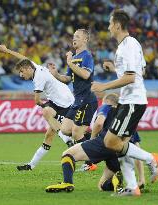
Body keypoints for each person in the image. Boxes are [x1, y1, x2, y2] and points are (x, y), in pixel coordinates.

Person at [91, 9, 158, 194]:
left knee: (110, 142)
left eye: (109, 24)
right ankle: (132, 187)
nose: (108, 27)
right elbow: (140, 71)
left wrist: (103, 87)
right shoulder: (129, 45)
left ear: (117, 25)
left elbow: (131, 77)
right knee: (121, 145)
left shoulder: (128, 45)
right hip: (130, 100)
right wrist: (114, 68)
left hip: (133, 101)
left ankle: (150, 158)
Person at [0, 45, 75, 170]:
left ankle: (68, 141)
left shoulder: (38, 77)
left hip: (65, 103)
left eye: (22, 72)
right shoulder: (35, 67)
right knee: (49, 135)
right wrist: (6, 51)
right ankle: (31, 165)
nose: (21, 75)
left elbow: (37, 100)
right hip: (59, 100)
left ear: (28, 68)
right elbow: (22, 58)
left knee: (46, 112)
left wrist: (45, 107)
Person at [49, 29, 98, 170]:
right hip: (77, 100)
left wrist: (70, 63)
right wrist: (56, 74)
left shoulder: (86, 56)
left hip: (87, 99)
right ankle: (92, 141)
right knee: (65, 130)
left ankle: (90, 163)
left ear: (85, 40)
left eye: (77, 36)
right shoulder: (75, 57)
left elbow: (86, 75)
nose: (74, 38)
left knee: (76, 132)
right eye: (73, 36)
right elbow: (67, 79)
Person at [92, 94, 145, 189]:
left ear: (107, 101)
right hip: (127, 157)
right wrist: (141, 178)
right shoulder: (127, 120)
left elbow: (99, 123)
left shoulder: (105, 107)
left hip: (112, 153)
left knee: (101, 185)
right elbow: (137, 148)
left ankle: (115, 179)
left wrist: (92, 139)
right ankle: (118, 181)